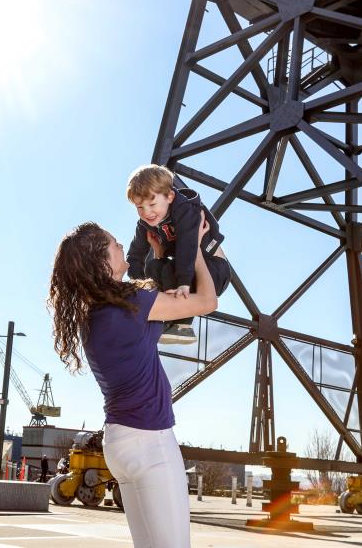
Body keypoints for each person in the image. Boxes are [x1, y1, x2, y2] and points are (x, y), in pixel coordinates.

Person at [48, 215, 216, 548]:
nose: (122, 244)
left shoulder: (93, 315)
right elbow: (207, 302)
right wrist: (193, 249)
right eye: (114, 243)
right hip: (150, 441)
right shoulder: (133, 306)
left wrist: (154, 256)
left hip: (118, 444)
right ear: (101, 260)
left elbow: (140, 302)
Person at [126, 164, 230, 344]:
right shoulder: (145, 224)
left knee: (173, 267)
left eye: (152, 204)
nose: (147, 212)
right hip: (186, 269)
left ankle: (183, 325)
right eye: (139, 207)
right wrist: (139, 289)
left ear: (170, 196)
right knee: (154, 267)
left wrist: (183, 281)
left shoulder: (186, 209)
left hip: (214, 270)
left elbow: (188, 245)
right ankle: (169, 320)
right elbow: (135, 255)